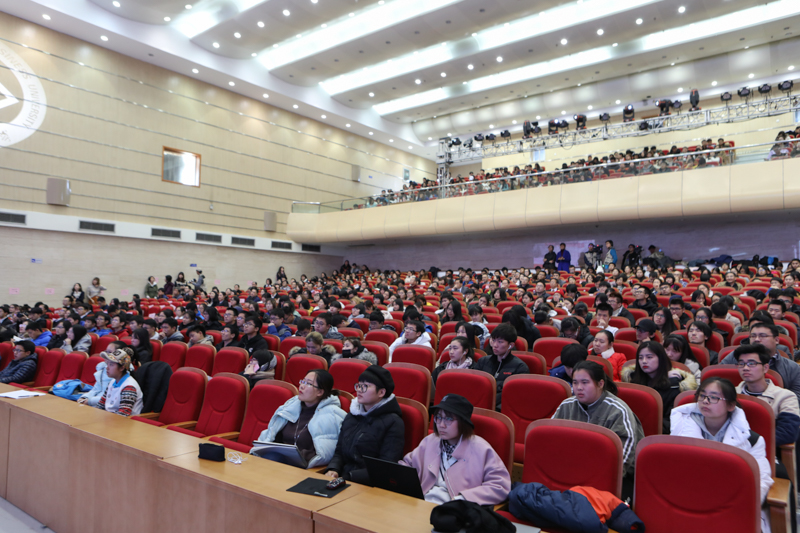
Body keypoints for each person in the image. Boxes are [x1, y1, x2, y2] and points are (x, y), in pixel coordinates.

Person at [670, 378, 773, 532]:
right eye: (702, 395)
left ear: (731, 405)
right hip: (690, 500)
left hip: (734, 504)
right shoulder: (681, 429)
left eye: (714, 397)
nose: (705, 401)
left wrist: (739, 503)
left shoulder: (752, 441)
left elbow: (762, 479)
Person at [399, 394, 511, 505]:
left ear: (463, 422)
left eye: (448, 419)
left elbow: (500, 486)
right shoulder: (430, 441)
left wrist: (463, 499)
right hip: (421, 503)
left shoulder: (481, 448)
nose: (441, 425)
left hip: (456, 510)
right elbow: (406, 465)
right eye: (438, 417)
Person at [552, 361, 643, 489]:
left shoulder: (618, 410)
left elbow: (623, 457)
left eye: (585, 382)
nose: (579, 387)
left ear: (600, 384)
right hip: (571, 471)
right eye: (575, 382)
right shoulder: (566, 405)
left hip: (608, 478)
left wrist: (595, 479)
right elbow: (551, 440)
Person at [325, 366, 405, 484]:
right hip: (343, 478)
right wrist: (333, 469)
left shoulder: (393, 422)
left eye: (365, 386)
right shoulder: (352, 415)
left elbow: (386, 466)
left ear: (381, 392)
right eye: (358, 385)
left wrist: (349, 477)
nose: (359, 390)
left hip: (369, 484)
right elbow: (339, 451)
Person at [256, 369, 346, 468]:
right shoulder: (291, 405)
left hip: (303, 467)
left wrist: (294, 455)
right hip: (279, 461)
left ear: (320, 392)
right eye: (303, 381)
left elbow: (325, 452)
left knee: (271, 459)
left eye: (308, 383)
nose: (302, 386)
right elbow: (272, 434)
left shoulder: (332, 415)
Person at [621, 341, 696, 434]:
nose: (644, 361)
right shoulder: (632, 380)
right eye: (640, 358)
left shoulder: (674, 385)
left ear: (661, 359)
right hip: (629, 429)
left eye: (649, 357)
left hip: (656, 433)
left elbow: (671, 422)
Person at [734, 344, 800, 448]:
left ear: (765, 368)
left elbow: (788, 433)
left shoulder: (785, 396)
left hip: (769, 450)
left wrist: (748, 443)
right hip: (732, 448)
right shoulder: (730, 394)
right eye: (741, 364)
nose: (745, 368)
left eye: (751, 363)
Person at [473, 323, 529, 410]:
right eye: (493, 340)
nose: (495, 345)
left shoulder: (520, 367)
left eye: (500, 342)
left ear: (511, 345)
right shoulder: (482, 361)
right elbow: (475, 386)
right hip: (479, 404)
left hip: (502, 408)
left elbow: (515, 396)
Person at [84, 348, 143, 417]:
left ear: (122, 368)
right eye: (107, 364)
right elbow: (100, 406)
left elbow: (122, 416)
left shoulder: (129, 387)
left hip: (124, 422)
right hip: (109, 418)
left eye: (111, 365)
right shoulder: (112, 382)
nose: (107, 367)